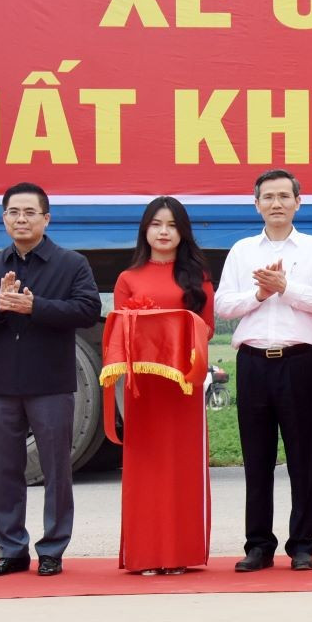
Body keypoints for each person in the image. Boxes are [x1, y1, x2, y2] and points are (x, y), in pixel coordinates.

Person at [0, 182, 101, 578]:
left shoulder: (71, 264)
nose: (21, 219)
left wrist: (36, 306)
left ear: (46, 219)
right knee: (5, 470)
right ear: (4, 218)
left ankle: (52, 548)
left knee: (56, 470)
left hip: (51, 384)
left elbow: (87, 310)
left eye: (29, 212)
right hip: (1, 387)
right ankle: (11, 548)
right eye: (13, 212)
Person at [217, 169, 312, 572]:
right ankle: (258, 545)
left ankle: (302, 544)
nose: (276, 204)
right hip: (253, 362)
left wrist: (286, 288)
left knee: (302, 455)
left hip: (298, 361)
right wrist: (260, 293)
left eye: (284, 196)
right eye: (267, 197)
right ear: (256, 204)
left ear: (298, 202)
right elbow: (223, 306)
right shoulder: (241, 251)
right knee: (257, 458)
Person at [110, 197, 215, 576]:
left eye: (172, 224)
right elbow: (119, 332)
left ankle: (179, 554)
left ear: (182, 231)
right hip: (144, 389)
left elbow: (207, 328)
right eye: (156, 224)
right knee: (146, 468)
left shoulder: (198, 277)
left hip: (183, 386)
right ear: (145, 230)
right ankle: (146, 554)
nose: (164, 231)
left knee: (181, 468)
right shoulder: (128, 278)